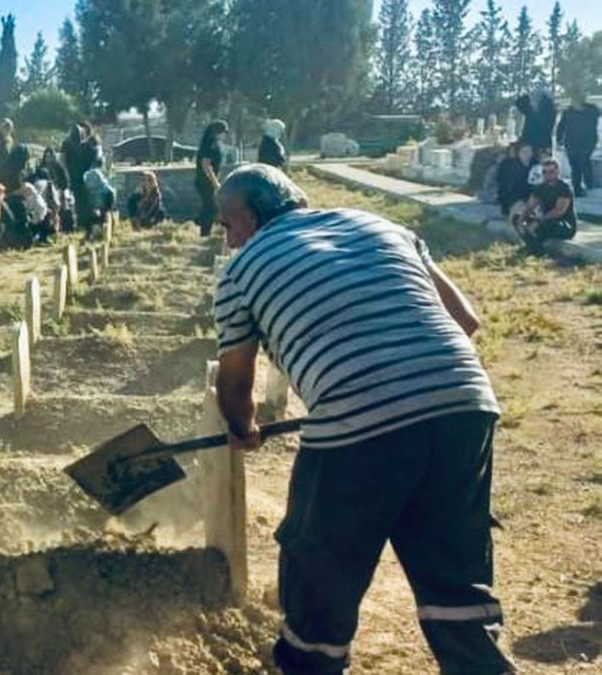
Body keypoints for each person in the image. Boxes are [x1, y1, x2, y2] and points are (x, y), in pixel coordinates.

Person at [213, 164, 513, 675]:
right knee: (455, 579)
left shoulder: (241, 271)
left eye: (226, 225)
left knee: (318, 566)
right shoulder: (382, 226)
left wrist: (243, 431)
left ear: (244, 215)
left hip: (359, 421)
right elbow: (465, 321)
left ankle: (309, 664)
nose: (227, 237)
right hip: (465, 403)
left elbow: (236, 383)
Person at [515, 157, 578, 254]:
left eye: (551, 172)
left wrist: (539, 221)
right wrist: (522, 219)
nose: (548, 175)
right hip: (546, 220)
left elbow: (559, 211)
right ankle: (534, 246)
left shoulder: (564, 188)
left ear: (558, 171)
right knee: (517, 217)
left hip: (564, 225)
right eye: (544, 172)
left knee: (548, 223)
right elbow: (530, 206)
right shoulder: (540, 188)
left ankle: (533, 247)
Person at [557, 96, 600, 197]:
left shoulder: (591, 111)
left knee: (584, 162)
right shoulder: (568, 112)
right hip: (571, 144)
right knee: (575, 166)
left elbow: (597, 113)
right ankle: (577, 189)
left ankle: (589, 185)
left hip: (587, 143)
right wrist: (559, 139)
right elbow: (561, 126)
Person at [195, 120, 229, 237]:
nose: (225, 135)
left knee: (210, 206)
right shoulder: (209, 145)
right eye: (224, 132)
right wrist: (215, 183)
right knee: (210, 207)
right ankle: (204, 233)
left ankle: (205, 229)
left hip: (207, 180)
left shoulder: (214, 144)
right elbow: (206, 164)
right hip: (205, 181)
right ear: (217, 132)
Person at [495, 143, 535, 216]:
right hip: (513, 200)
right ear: (518, 154)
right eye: (524, 152)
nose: (528, 155)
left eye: (530, 151)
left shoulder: (535, 166)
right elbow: (507, 189)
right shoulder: (511, 168)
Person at [516, 91, 556, 158]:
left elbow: (528, 133)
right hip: (543, 145)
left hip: (537, 146)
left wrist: (522, 141)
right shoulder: (544, 112)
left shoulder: (533, 115)